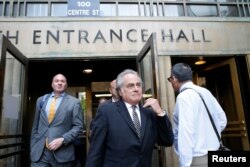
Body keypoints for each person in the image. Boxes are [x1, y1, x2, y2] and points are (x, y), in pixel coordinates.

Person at [85, 69, 174, 167]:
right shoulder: (106, 111)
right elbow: (96, 150)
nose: (136, 89)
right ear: (120, 91)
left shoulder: (149, 113)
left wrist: (160, 113)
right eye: (130, 85)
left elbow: (167, 141)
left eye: (138, 85)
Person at [168, 63, 227, 167]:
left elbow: (186, 132)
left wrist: (184, 164)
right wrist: (207, 135)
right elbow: (222, 120)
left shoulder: (183, 97)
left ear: (174, 78)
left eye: (170, 79)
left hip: (197, 159)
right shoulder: (205, 92)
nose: (171, 82)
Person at [30, 73, 84, 167]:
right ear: (52, 84)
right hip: (40, 154)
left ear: (66, 85)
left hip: (62, 154)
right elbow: (36, 126)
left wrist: (63, 139)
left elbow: (79, 127)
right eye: (57, 81)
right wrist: (33, 147)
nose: (59, 83)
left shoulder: (74, 103)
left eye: (62, 81)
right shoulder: (41, 100)